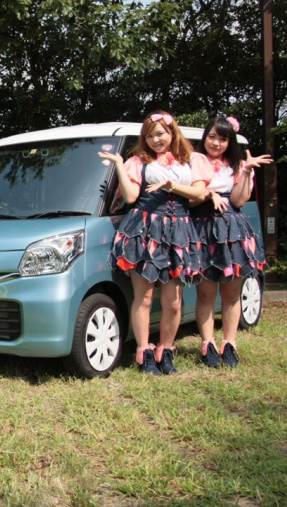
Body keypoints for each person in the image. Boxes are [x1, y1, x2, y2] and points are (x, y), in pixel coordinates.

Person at [98, 112, 208, 375]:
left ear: (172, 133)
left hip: (178, 231)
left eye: (160, 134)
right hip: (145, 229)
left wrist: (172, 186)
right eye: (149, 136)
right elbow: (131, 196)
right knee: (144, 297)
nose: (155, 140)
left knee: (173, 301)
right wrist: (119, 165)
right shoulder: (138, 162)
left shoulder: (192, 159)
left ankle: (166, 350)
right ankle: (144, 352)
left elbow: (200, 192)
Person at [190, 116, 271, 368]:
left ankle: (229, 343)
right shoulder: (195, 159)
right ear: (205, 137)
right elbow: (192, 196)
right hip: (202, 227)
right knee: (205, 293)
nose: (216, 143)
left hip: (232, 229)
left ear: (230, 142)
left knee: (232, 293)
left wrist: (246, 171)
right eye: (212, 137)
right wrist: (210, 194)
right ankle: (208, 344)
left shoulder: (237, 165)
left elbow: (238, 200)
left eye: (222, 139)